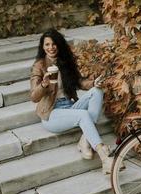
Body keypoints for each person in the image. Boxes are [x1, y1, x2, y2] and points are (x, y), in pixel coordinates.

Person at [30, 28, 113, 174]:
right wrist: (43, 85)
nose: (51, 48)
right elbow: (34, 97)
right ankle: (104, 156)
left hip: (70, 106)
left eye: (54, 44)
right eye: (47, 44)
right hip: (52, 113)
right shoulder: (39, 65)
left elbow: (79, 82)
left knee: (96, 92)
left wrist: (94, 83)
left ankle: (84, 140)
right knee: (83, 115)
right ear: (43, 47)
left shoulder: (66, 61)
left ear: (59, 45)